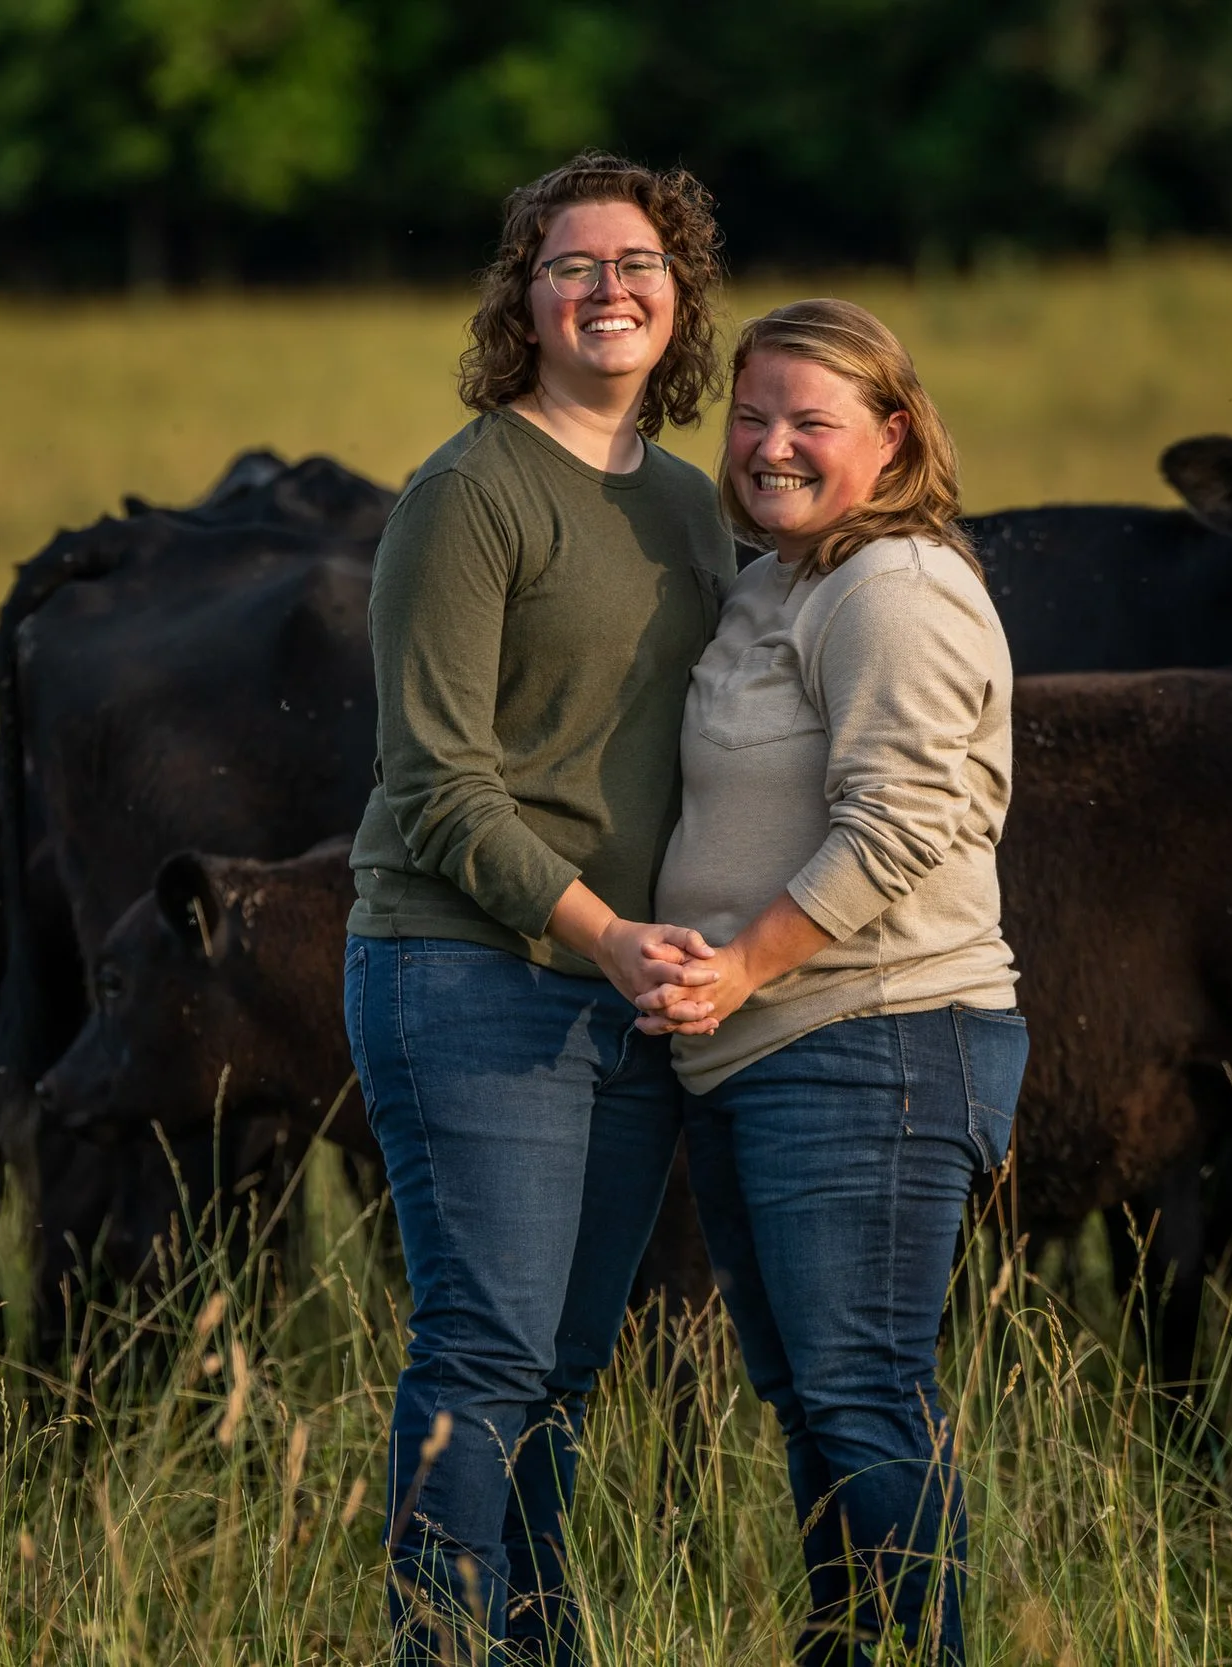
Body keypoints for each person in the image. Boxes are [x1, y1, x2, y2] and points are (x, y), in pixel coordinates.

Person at [340, 152, 735, 1664]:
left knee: (568, 1362)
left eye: (638, 263)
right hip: (471, 971)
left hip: (628, 991)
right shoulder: (469, 494)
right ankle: (439, 1645)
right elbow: (438, 782)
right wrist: (602, 931)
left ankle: (537, 1640)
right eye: (573, 265)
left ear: (679, 295)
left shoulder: (696, 510)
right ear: (525, 301)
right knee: (486, 1342)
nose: (608, 288)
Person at [641, 298, 1026, 1666]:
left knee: (860, 1392)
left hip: (873, 1034)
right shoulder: (779, 582)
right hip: (763, 1050)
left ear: (896, 432)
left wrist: (739, 963)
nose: (772, 444)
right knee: (814, 1402)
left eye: (812, 419)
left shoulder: (895, 586)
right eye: (752, 417)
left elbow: (901, 821)